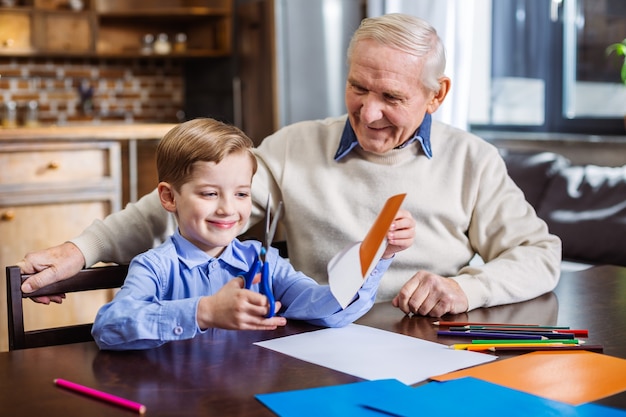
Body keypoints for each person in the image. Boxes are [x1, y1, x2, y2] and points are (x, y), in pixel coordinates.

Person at [18, 13, 561, 318]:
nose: (367, 113)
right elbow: (186, 203)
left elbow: (540, 254)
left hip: (440, 346)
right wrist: (79, 250)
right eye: (357, 87)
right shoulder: (293, 148)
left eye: (391, 96)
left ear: (436, 94)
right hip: (326, 341)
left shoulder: (473, 160)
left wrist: (470, 288)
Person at [91, 118, 414, 350]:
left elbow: (325, 311)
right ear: (169, 197)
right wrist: (204, 312)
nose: (228, 209)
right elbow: (108, 328)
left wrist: (375, 258)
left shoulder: (262, 260)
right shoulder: (156, 267)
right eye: (209, 194)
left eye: (242, 194)